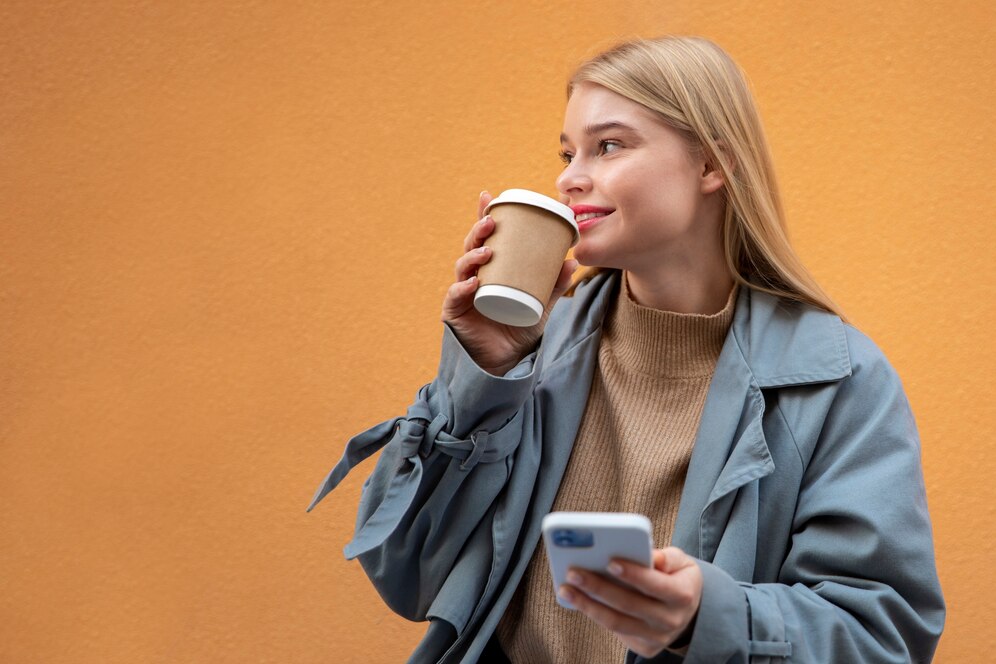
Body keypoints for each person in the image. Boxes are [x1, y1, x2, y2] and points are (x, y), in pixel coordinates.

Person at [308, 36, 945, 663]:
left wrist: (708, 619)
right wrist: (483, 377)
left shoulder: (838, 380)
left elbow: (881, 636)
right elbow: (406, 575)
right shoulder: (532, 355)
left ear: (709, 166)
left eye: (608, 145)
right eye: (567, 152)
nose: (568, 177)